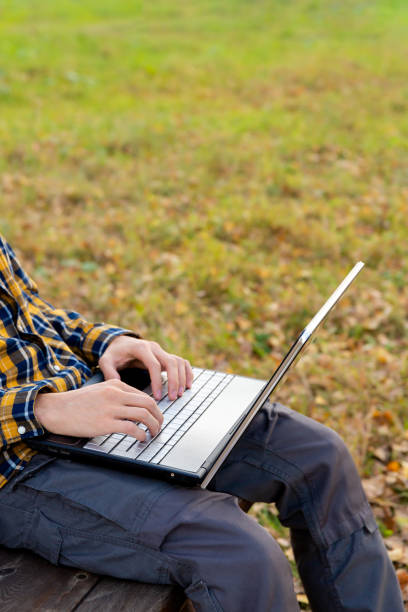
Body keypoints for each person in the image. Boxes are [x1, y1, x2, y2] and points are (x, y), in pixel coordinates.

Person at [0, 232, 403, 612]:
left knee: (318, 456)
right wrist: (43, 409)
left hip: (93, 395)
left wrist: (108, 341)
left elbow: (33, 314)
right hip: (19, 467)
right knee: (242, 555)